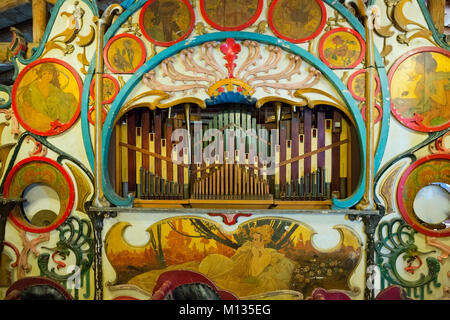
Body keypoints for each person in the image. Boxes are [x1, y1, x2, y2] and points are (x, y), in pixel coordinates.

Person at [17, 63, 78, 132]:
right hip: (40, 113)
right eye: (44, 74)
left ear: (53, 75)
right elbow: (29, 102)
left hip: (52, 112)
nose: (47, 76)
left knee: (66, 101)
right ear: (41, 75)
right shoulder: (34, 86)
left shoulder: (51, 87)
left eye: (50, 74)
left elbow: (61, 95)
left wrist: (69, 96)